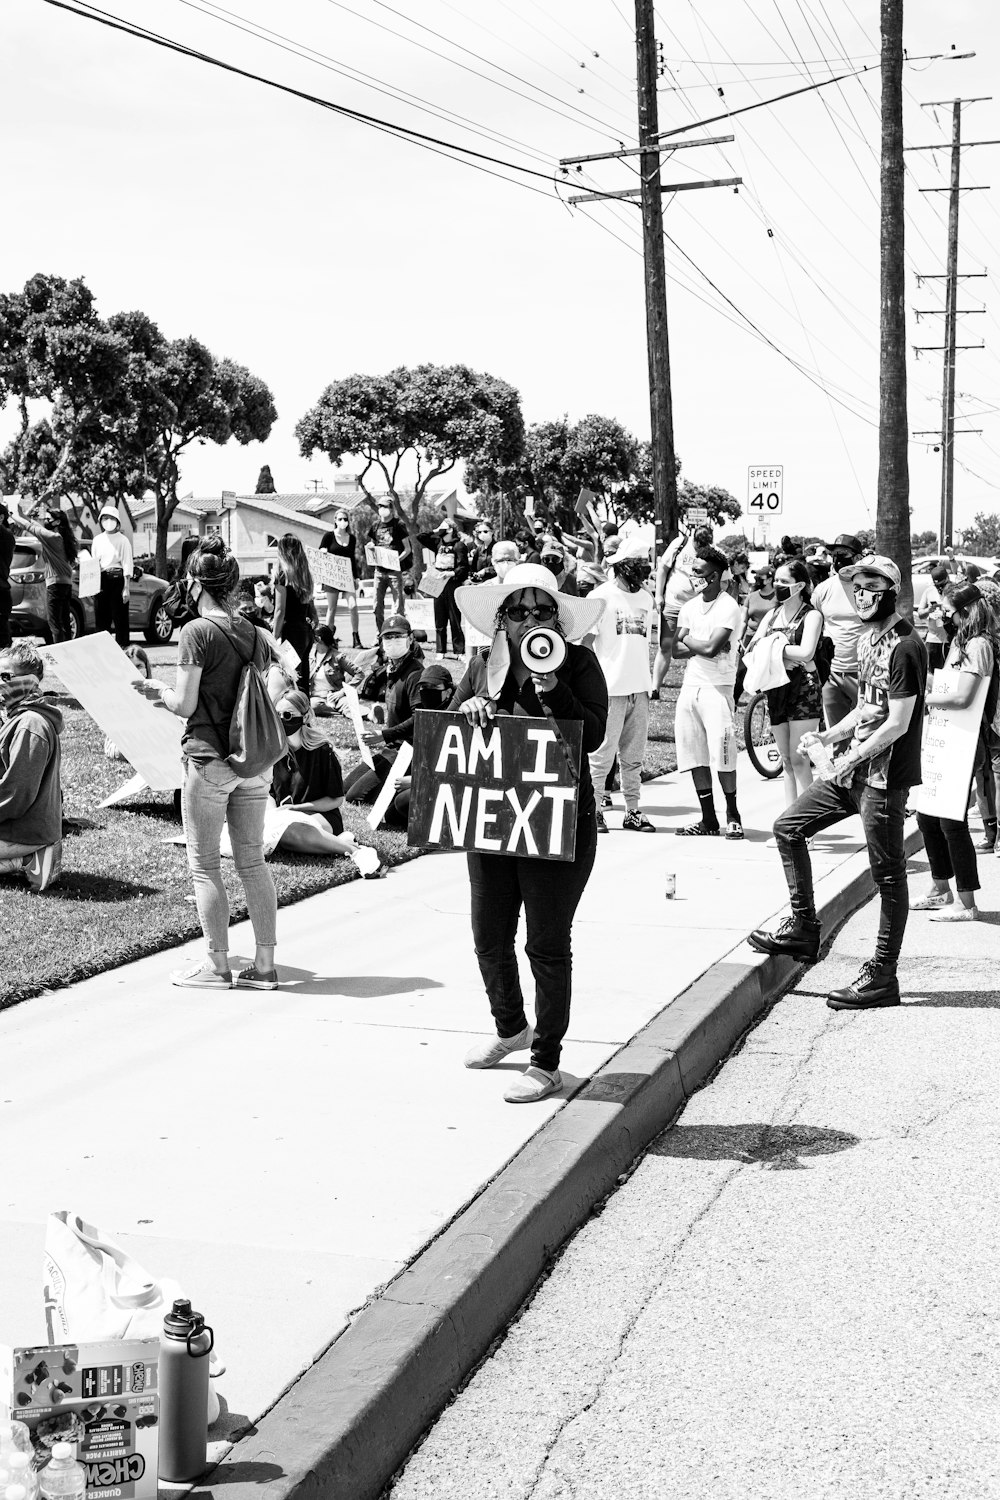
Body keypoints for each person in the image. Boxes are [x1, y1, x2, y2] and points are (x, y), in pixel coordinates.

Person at [451, 564, 608, 1103]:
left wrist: (553, 689)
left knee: (544, 944)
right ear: (501, 619)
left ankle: (546, 1061)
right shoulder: (483, 666)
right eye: (517, 611)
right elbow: (446, 728)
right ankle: (509, 1028)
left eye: (542, 611)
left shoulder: (579, 663)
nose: (529, 620)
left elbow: (593, 733)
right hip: (495, 822)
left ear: (557, 620)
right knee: (489, 937)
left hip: (558, 824)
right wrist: (470, 705)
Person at [749, 555, 927, 1010]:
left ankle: (883, 976)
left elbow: (898, 723)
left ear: (890, 591)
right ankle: (805, 928)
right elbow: (869, 707)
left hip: (883, 780)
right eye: (857, 587)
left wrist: (844, 758)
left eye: (872, 587)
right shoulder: (872, 639)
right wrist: (829, 735)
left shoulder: (905, 645)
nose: (862, 594)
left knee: (887, 876)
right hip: (853, 771)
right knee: (789, 828)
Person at [133, 536, 287, 991]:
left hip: (209, 759)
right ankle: (264, 967)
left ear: (197, 584)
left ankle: (218, 967)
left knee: (204, 866)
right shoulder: (253, 631)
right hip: (254, 762)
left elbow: (184, 704)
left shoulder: (196, 632)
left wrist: (155, 691)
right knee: (253, 864)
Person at [912, 584, 996, 918]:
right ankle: (940, 888)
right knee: (927, 815)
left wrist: (922, 700)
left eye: (946, 609)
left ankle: (966, 902)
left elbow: (964, 697)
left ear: (964, 610)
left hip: (966, 740)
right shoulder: (963, 641)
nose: (940, 613)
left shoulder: (978, 644)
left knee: (950, 821)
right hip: (949, 737)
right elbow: (948, 683)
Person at [673, 547, 745, 839]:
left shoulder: (728, 606)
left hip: (718, 688)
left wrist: (693, 642)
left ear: (714, 576)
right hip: (690, 687)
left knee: (724, 754)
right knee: (694, 756)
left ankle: (732, 814)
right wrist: (698, 644)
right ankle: (707, 819)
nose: (694, 577)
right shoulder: (689, 607)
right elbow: (675, 650)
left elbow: (712, 648)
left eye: (699, 573)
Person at [587, 537, 656, 833]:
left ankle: (633, 811)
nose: (644, 570)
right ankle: (595, 809)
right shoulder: (600, 597)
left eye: (646, 564)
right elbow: (586, 645)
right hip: (609, 689)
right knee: (602, 755)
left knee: (633, 756)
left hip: (639, 687)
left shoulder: (647, 598)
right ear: (623, 566)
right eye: (639, 565)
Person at [743, 558, 823, 806]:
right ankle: (790, 819)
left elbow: (807, 653)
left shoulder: (812, 616)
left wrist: (776, 650)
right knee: (786, 760)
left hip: (804, 690)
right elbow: (751, 647)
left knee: (800, 758)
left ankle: (807, 819)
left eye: (784, 581)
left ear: (799, 586)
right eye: (776, 580)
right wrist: (782, 652)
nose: (777, 585)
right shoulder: (772, 615)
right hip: (776, 689)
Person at [343, 615, 427, 804]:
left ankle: (402, 787)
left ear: (411, 638)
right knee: (346, 787)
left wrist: (384, 734)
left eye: (398, 636)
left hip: (406, 751)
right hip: (391, 748)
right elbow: (370, 691)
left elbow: (419, 719)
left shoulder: (415, 673)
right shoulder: (391, 669)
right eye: (387, 637)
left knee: (355, 796)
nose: (392, 641)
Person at [0, 642, 64, 892]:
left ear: (29, 680)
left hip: (24, 830)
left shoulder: (30, 724)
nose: (0, 683)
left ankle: (28, 858)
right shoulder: (18, 718)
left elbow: (17, 795)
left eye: (6, 676)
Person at [368, 663, 455, 830]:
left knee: (402, 802)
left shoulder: (456, 718)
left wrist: (418, 781)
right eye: (424, 687)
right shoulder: (427, 713)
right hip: (429, 776)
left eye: (434, 687)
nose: (428, 691)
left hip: (446, 784)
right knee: (392, 814)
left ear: (448, 691)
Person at [651, 523, 713, 699]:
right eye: (698, 545)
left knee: (694, 647)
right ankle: (655, 688)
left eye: (704, 546)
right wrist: (659, 595)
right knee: (666, 646)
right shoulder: (680, 543)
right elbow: (662, 568)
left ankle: (694, 689)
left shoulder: (710, 552)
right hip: (673, 604)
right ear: (693, 538)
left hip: (696, 608)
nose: (700, 549)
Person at [811, 532, 865, 726]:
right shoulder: (823, 590)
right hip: (832, 674)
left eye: (843, 554)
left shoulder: (869, 589)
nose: (837, 559)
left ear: (858, 558)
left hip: (864, 673)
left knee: (867, 730)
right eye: (834, 554)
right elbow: (811, 624)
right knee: (837, 734)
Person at [11, 504, 77, 643]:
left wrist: (11, 515)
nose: (46, 521)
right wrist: (23, 515)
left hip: (55, 585)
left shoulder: (51, 537)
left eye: (48, 518)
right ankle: (68, 650)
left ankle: (58, 652)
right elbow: (36, 525)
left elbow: (30, 528)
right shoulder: (63, 537)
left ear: (57, 522)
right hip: (66, 584)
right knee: (65, 621)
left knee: (54, 623)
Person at [271, 534, 315, 697]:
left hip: (290, 632)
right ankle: (305, 716)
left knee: (291, 679)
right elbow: (310, 604)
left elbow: (280, 611)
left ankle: (294, 717)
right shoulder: (305, 573)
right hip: (304, 630)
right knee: (302, 678)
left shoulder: (282, 573)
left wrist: (273, 638)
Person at [418, 520, 469, 655]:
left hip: (452, 583)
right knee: (439, 619)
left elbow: (464, 567)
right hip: (437, 583)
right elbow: (421, 537)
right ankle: (441, 650)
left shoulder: (459, 545)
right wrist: (435, 530)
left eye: (444, 528)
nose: (441, 530)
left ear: (451, 529)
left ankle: (459, 651)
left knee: (454, 619)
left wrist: (451, 573)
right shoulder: (438, 543)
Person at [318, 508, 362, 647]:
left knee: (353, 606)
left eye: (345, 519)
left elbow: (352, 559)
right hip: (332, 577)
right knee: (332, 608)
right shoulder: (328, 536)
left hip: (347, 577)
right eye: (340, 519)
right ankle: (328, 638)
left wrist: (356, 577)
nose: (343, 521)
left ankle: (356, 637)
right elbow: (321, 551)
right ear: (335, 521)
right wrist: (323, 551)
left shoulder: (352, 538)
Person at [91, 505, 133, 648]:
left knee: (120, 619)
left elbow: (127, 563)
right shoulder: (97, 540)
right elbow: (94, 563)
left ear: (117, 521)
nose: (108, 521)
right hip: (101, 580)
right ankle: (103, 651)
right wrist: (92, 586)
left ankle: (123, 650)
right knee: (102, 619)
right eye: (105, 518)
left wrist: (126, 588)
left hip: (118, 579)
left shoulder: (123, 540)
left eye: (111, 518)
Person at [734, 563, 776, 702]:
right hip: (750, 639)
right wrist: (739, 638)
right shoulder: (751, 596)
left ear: (769, 579)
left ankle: (768, 703)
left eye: (760, 576)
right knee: (741, 672)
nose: (757, 578)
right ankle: (733, 701)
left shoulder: (777, 597)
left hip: (769, 640)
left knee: (767, 673)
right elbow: (744, 620)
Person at [370, 499, 412, 631]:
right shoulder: (375, 526)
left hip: (394, 571)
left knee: (398, 606)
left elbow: (407, 549)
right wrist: (370, 548)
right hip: (379, 571)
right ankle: (380, 634)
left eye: (385, 506)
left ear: (391, 508)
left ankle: (398, 633)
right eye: (380, 506)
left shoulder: (399, 524)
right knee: (377, 606)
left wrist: (396, 560)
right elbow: (372, 545)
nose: (382, 508)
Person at [916, 563, 951, 672]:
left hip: (950, 640)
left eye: (942, 585)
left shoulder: (954, 590)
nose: (940, 588)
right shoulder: (929, 591)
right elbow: (920, 614)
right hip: (933, 640)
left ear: (947, 579)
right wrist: (929, 610)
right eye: (937, 586)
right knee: (932, 673)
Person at [0, 503, 14, 649]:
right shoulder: (8, 536)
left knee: (2, 633)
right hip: (3, 589)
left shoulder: (5, 536)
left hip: (1, 589)